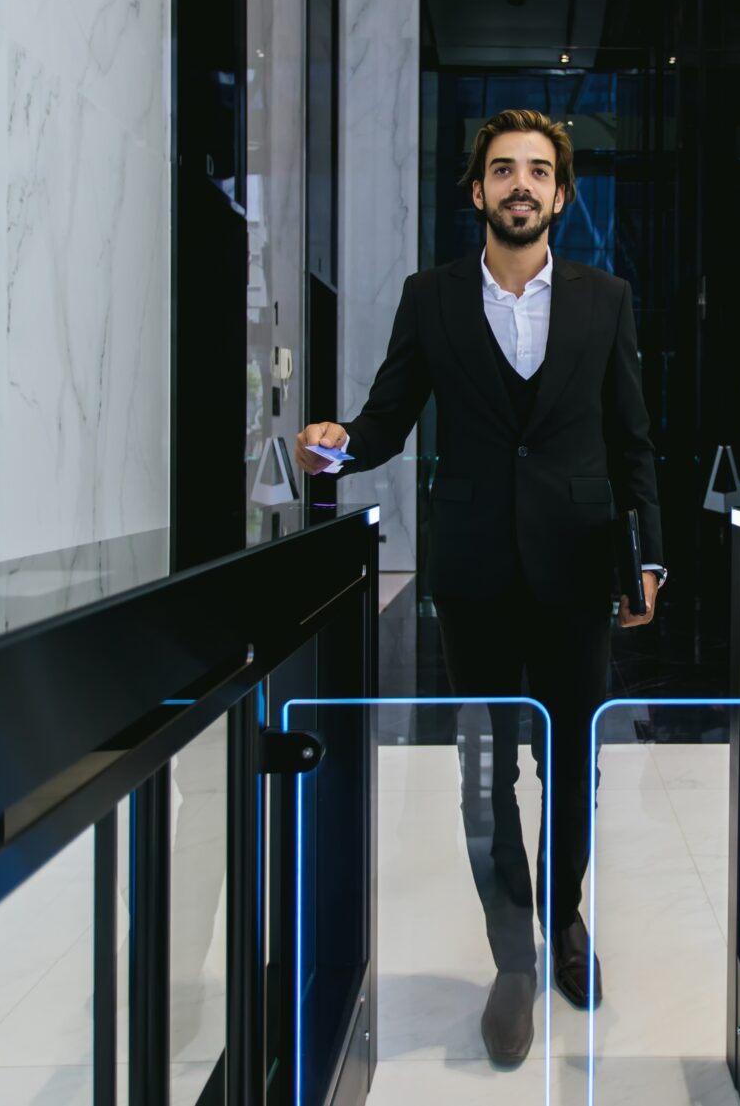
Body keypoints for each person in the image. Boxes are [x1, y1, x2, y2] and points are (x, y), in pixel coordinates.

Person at [294, 108, 664, 1064]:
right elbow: (386, 417)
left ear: (562, 193)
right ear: (476, 190)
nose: (520, 185)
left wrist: (648, 557)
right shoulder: (433, 296)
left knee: (570, 761)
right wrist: (338, 447)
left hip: (580, 564)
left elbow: (633, 443)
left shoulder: (606, 297)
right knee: (485, 770)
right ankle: (512, 955)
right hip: (472, 570)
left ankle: (567, 918)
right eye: (503, 170)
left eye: (538, 171)